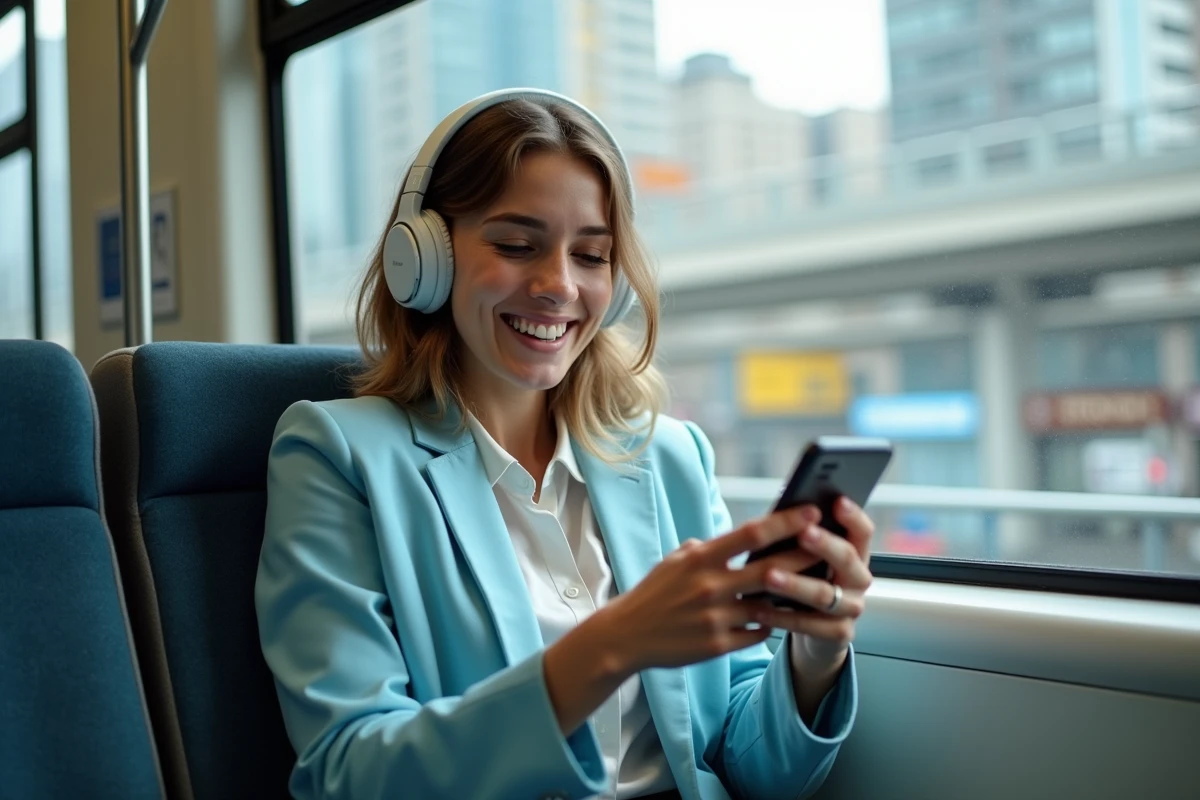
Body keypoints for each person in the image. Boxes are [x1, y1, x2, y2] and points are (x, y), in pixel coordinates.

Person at [255, 88, 875, 800]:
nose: (558, 286)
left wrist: (815, 654)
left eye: (591, 255)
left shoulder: (671, 456)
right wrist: (610, 645)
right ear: (423, 257)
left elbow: (747, 766)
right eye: (516, 246)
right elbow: (349, 772)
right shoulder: (339, 455)